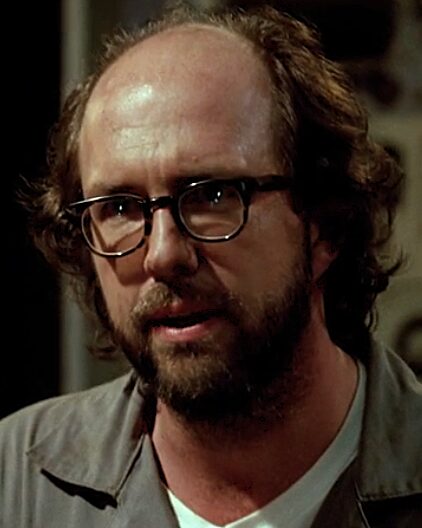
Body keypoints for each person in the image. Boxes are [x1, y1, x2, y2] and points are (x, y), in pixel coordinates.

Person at [1, 3, 421, 527]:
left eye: (212, 195)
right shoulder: (16, 484)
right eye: (120, 209)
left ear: (323, 223)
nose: (163, 254)